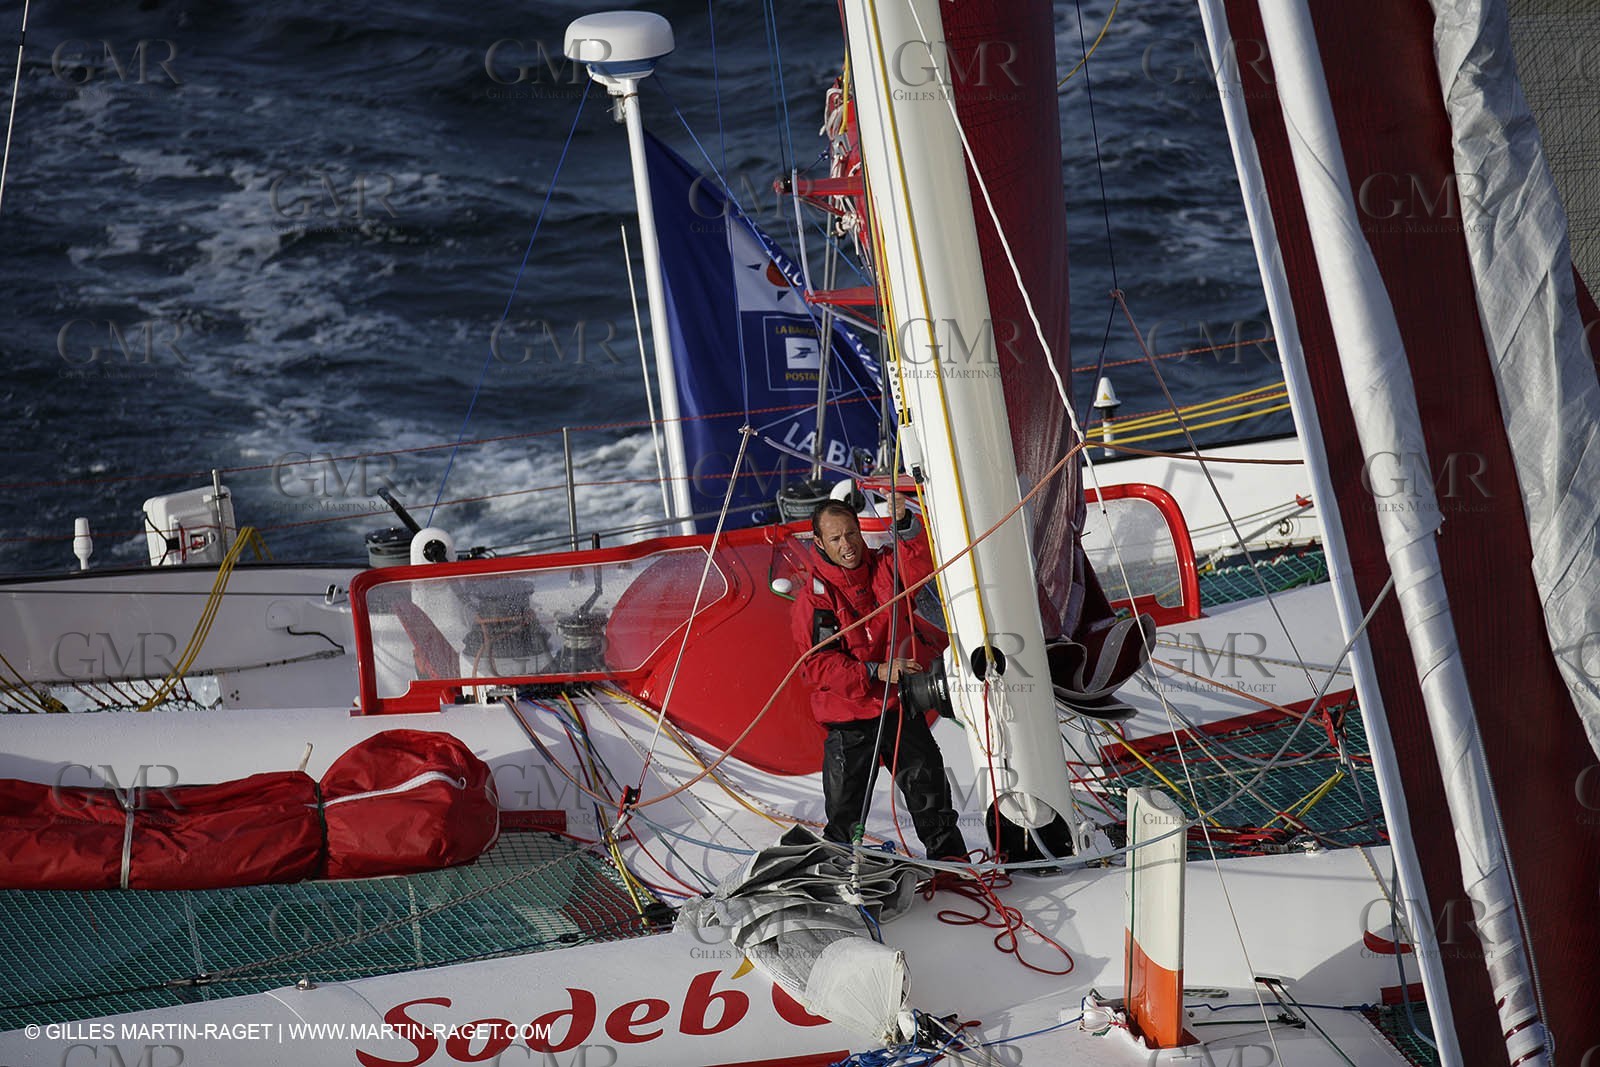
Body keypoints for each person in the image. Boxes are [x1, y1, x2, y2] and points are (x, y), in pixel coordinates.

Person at [791, 492, 968, 859]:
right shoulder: (815, 599)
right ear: (820, 544)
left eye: (851, 534)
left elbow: (919, 563)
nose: (848, 545)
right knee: (845, 814)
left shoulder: (886, 567)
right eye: (836, 539)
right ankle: (840, 873)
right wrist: (876, 670)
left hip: (900, 707)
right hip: (850, 719)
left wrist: (904, 525)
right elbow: (817, 665)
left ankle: (955, 869)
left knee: (931, 799)